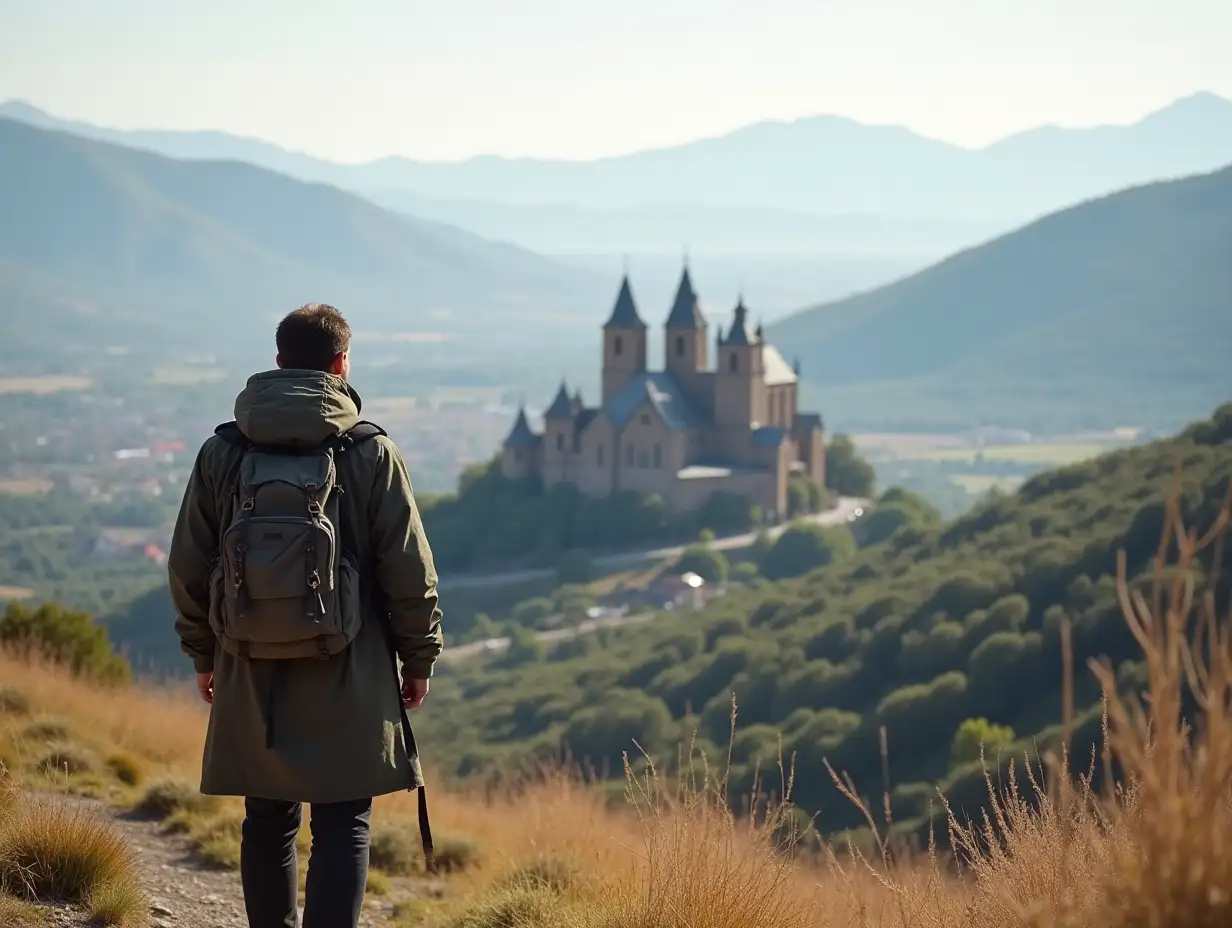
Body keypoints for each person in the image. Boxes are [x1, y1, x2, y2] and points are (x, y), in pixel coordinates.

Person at [167, 303, 443, 928]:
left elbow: (187, 563)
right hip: (351, 662)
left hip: (247, 658)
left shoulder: (224, 451)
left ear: (278, 362)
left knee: (267, 816)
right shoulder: (370, 452)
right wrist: (419, 657)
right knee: (344, 820)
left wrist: (202, 654)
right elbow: (409, 570)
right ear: (341, 364)